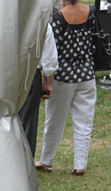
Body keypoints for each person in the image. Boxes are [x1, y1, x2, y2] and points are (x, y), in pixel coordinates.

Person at [37, 0, 98, 175]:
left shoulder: (58, 17)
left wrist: (47, 80)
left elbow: (52, 49)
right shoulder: (91, 12)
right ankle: (80, 165)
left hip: (63, 76)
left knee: (55, 121)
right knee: (84, 123)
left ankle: (46, 160)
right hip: (86, 72)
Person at [18, 24, 58, 157]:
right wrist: (48, 82)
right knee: (28, 119)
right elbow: (49, 57)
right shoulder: (41, 23)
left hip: (6, 72)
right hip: (30, 72)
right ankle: (25, 160)